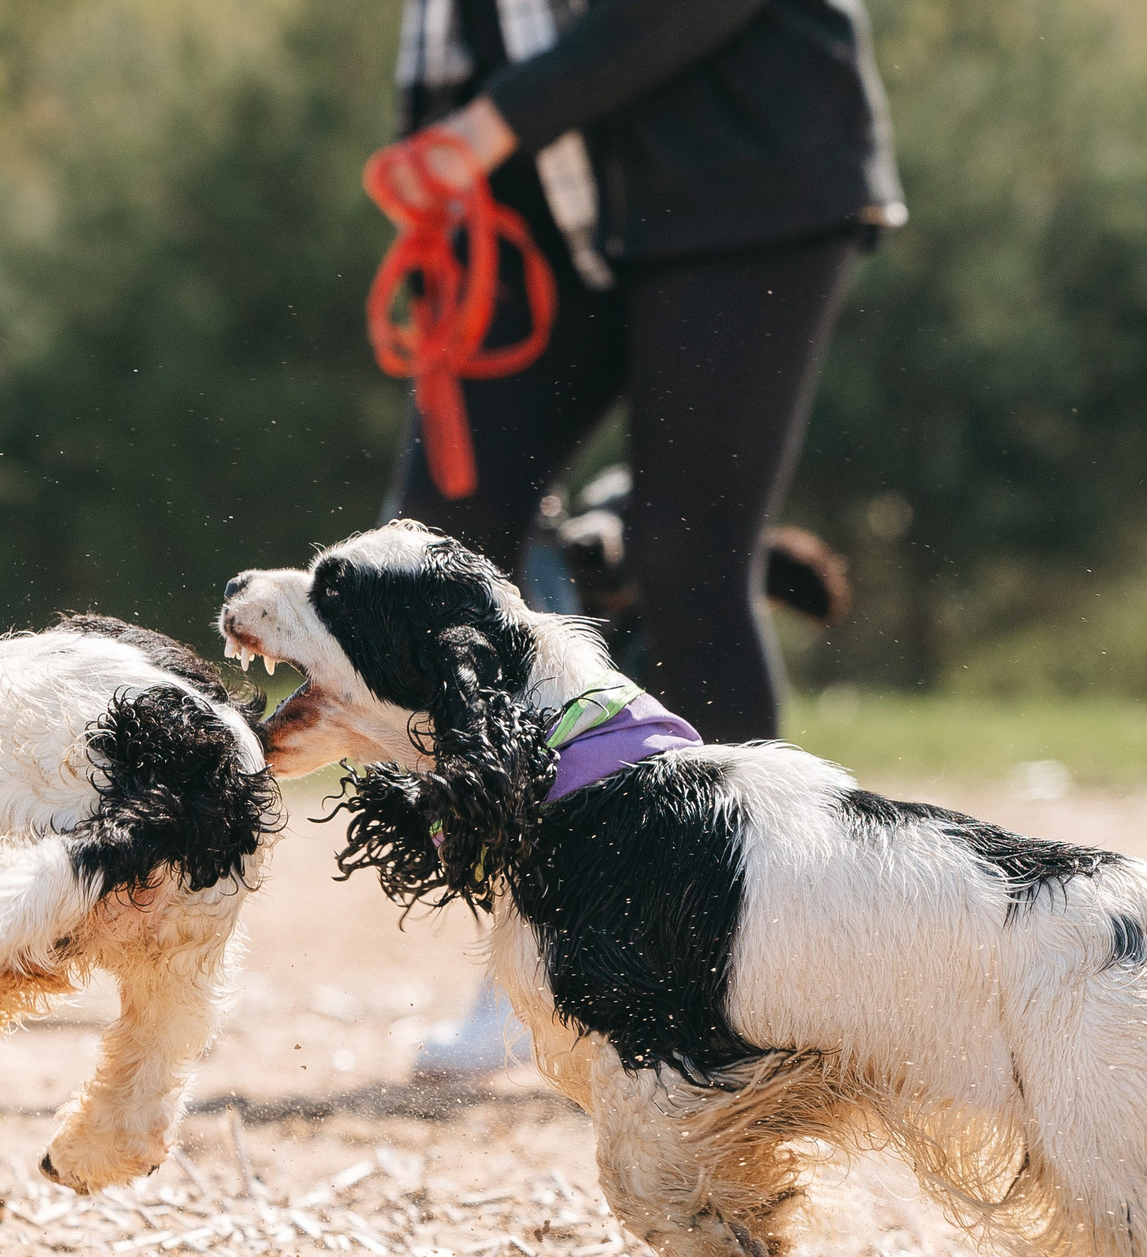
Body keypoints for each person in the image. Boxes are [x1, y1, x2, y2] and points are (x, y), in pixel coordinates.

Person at [375, 0, 901, 1076]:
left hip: (737, 164)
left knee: (688, 558)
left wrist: (486, 125)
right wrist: (438, 139)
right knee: (428, 551)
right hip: (545, 189)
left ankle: (766, 956)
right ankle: (545, 954)